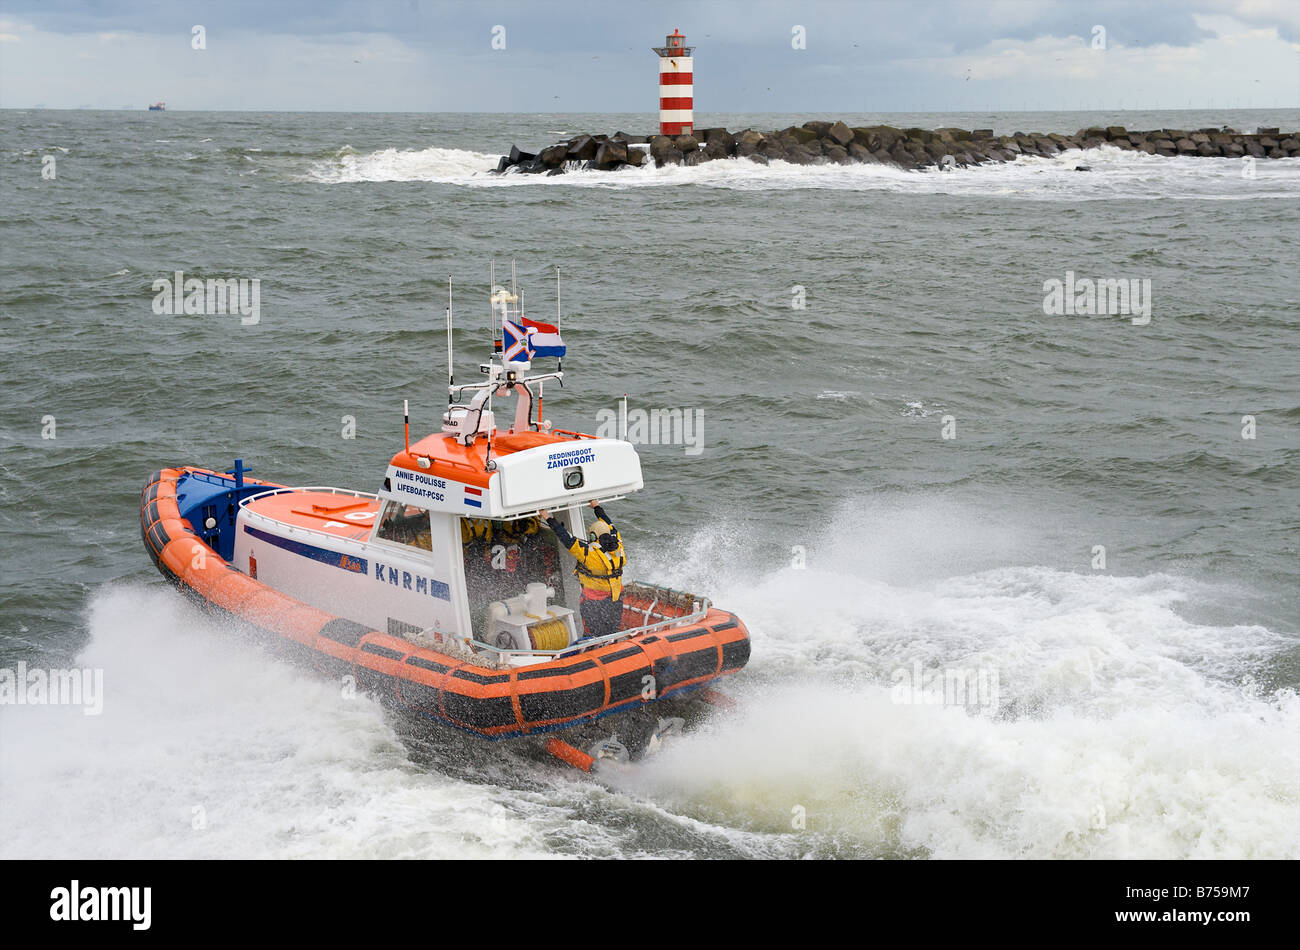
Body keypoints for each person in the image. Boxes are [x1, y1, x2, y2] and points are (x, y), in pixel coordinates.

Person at [540, 499, 626, 639]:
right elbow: (609, 524)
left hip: (593, 603)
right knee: (612, 632)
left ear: (593, 536)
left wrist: (547, 517)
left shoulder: (588, 553)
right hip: (616, 600)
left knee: (591, 635)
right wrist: (596, 507)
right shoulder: (619, 545)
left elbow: (565, 537)